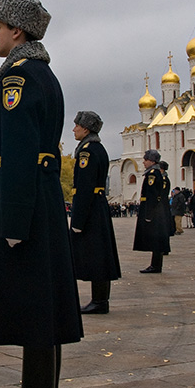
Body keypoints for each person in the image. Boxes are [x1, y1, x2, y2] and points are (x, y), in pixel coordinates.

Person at [0, 0, 82, 388]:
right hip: (43, 202)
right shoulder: (43, 74)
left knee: (35, 303)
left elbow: (19, 153)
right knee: (42, 299)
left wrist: (14, 220)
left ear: (16, 31)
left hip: (26, 205)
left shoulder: (18, 80)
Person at [69, 111, 121, 314]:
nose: (74, 129)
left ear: (86, 128)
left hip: (90, 210)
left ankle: (99, 301)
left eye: (77, 125)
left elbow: (84, 187)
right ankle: (100, 299)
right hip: (98, 207)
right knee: (101, 254)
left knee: (97, 255)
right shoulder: (98, 148)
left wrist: (78, 220)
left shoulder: (87, 152)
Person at [133, 150, 172, 273]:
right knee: (157, 239)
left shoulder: (152, 174)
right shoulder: (153, 173)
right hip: (156, 209)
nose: (144, 162)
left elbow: (152, 194)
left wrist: (148, 214)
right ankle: (155, 264)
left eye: (146, 160)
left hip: (153, 210)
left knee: (156, 239)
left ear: (152, 161)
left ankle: (156, 265)